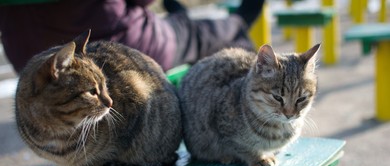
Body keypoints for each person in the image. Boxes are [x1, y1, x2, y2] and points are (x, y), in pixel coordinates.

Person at [0, 0, 265, 73]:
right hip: (119, 47)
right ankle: (238, 22)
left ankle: (180, 15)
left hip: (31, 60)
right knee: (194, 34)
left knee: (177, 23)